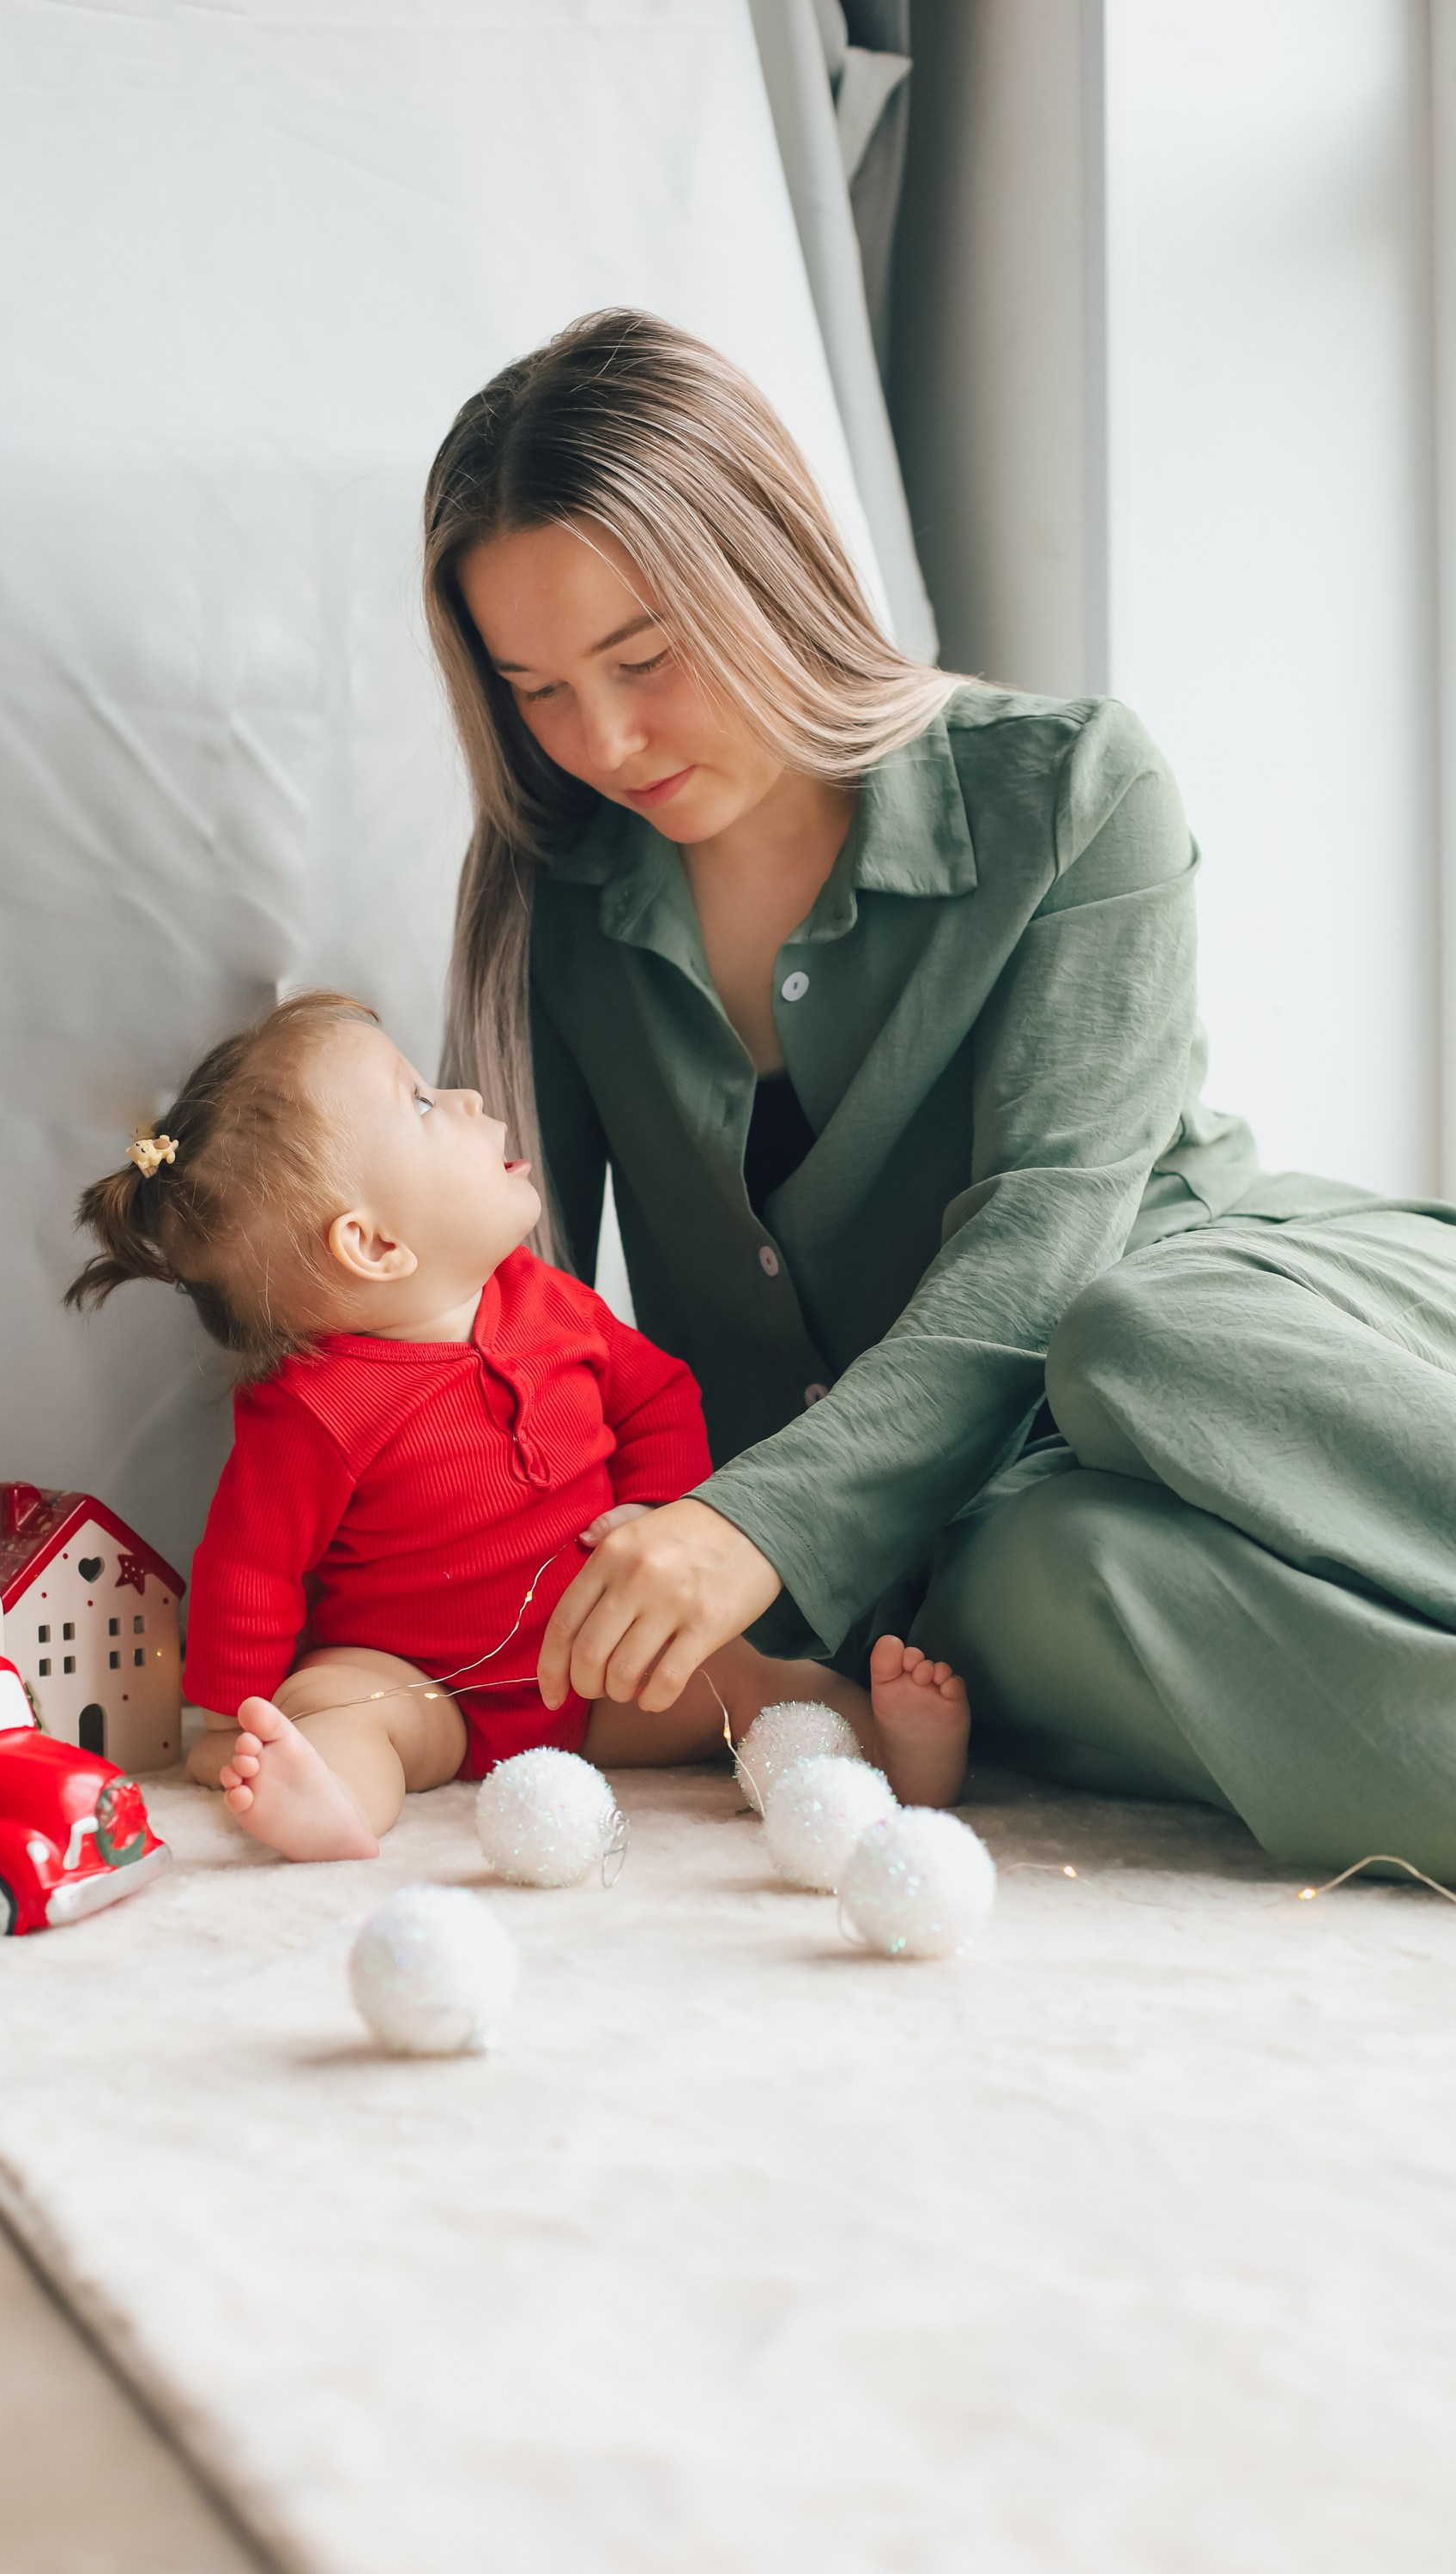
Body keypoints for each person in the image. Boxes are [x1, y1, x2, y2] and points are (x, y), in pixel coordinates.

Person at [421, 306, 1456, 1878]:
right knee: (1024, 1585)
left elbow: (1055, 1234)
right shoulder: (560, 903)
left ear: (765, 574)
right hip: (964, 1503)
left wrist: (758, 1519)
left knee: (1131, 1336)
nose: (607, 739)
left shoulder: (1072, 787)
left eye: (644, 658)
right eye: (540, 691)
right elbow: (535, 1313)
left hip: (1246, 1331)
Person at [63, 993, 964, 1861]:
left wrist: (657, 1507)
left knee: (764, 1688)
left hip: (598, 1664)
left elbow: (658, 1397)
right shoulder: (310, 1405)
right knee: (332, 1706)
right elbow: (250, 1568)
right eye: (419, 1102)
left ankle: (898, 1759)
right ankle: (325, 1799)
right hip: (425, 1691)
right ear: (374, 1245)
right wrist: (231, 1717)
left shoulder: (548, 1302)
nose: (463, 1096)